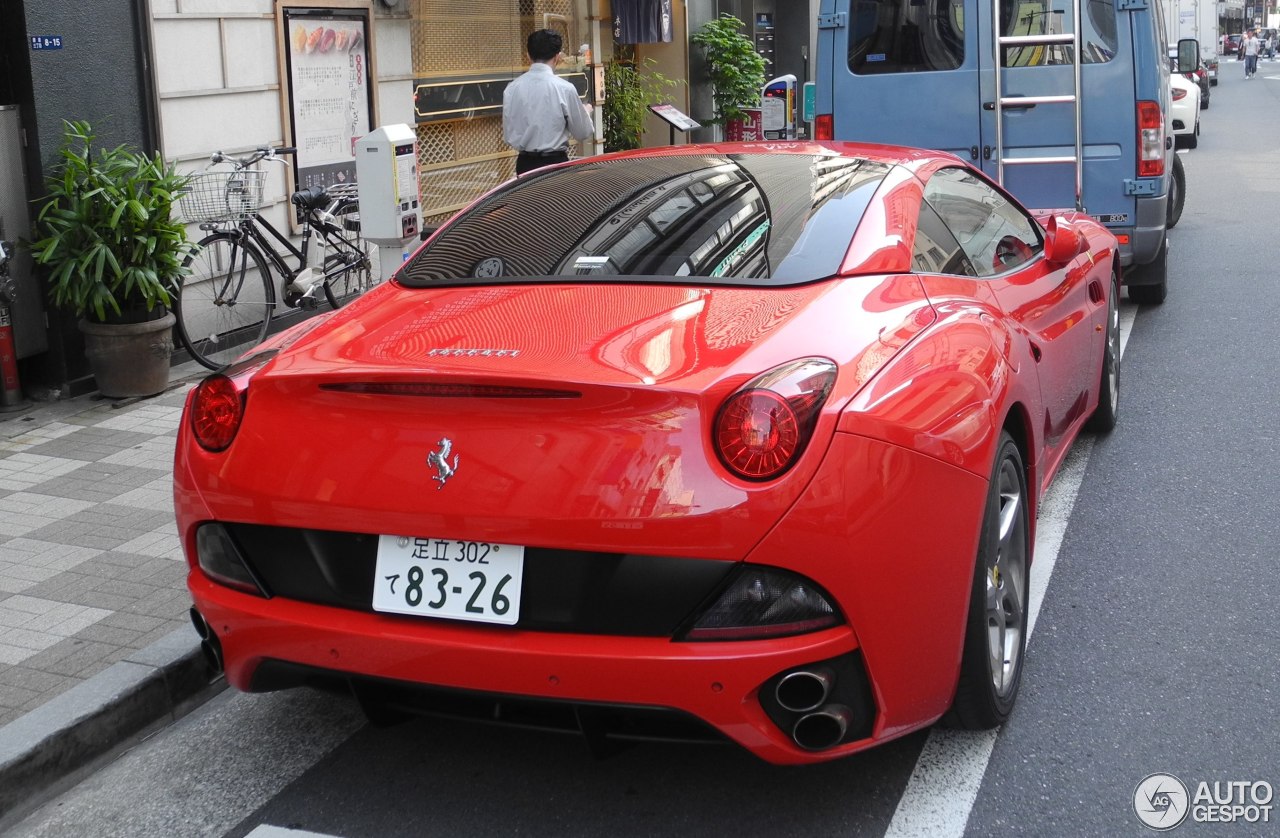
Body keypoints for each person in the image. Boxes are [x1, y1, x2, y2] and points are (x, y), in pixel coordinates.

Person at [502, 29, 594, 176]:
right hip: (555, 164)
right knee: (556, 200)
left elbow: (509, 136)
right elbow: (582, 132)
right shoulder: (564, 89)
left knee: (529, 200)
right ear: (557, 58)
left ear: (528, 56)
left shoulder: (512, 89)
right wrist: (586, 111)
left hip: (525, 165)